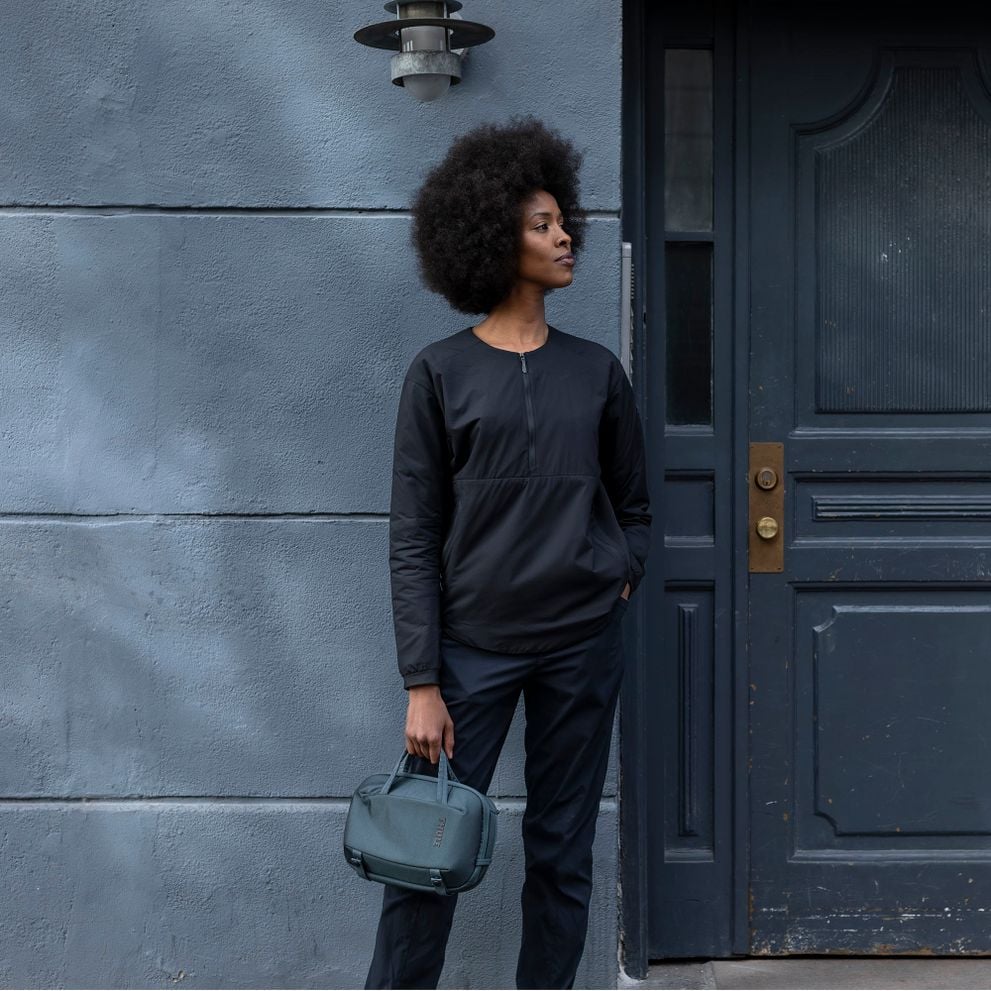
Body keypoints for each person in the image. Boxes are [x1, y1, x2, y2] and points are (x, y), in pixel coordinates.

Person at [365, 116, 651, 990]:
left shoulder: (597, 370)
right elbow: (412, 532)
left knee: (561, 851)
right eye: (540, 223)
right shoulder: (439, 372)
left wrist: (617, 574)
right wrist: (422, 678)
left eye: (564, 221)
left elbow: (633, 504)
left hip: (578, 644)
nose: (563, 235)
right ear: (493, 235)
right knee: (426, 854)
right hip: (469, 656)